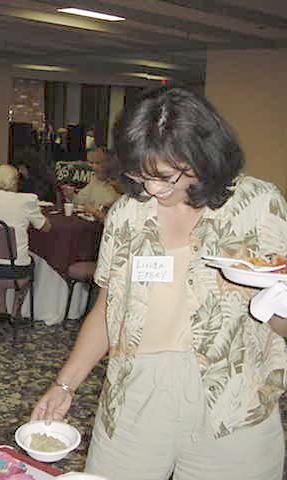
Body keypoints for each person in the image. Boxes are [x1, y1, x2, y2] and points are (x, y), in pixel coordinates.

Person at [31, 85, 287, 480]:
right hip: (137, 391)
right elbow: (108, 309)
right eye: (140, 175)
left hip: (232, 397)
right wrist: (64, 385)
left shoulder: (259, 206)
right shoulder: (127, 214)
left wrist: (261, 297)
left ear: (203, 157)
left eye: (165, 177)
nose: (151, 190)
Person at [0, 164, 51, 321]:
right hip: (16, 271)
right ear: (14, 182)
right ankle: (15, 312)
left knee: (0, 255)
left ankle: (1, 309)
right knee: (25, 262)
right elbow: (45, 227)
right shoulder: (27, 200)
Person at [72, 147, 120, 217]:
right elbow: (81, 200)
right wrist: (71, 195)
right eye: (92, 163)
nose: (93, 168)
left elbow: (113, 219)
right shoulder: (96, 180)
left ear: (109, 164)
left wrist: (95, 212)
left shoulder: (119, 187)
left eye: (98, 163)